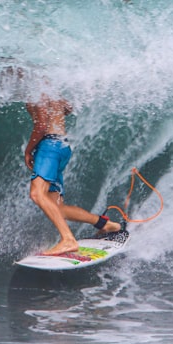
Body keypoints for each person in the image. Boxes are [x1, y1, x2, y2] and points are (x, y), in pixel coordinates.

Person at [25, 96, 121, 255]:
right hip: (62, 145)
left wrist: (28, 150)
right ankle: (105, 225)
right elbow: (68, 108)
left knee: (37, 194)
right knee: (58, 208)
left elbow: (41, 125)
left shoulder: (36, 85)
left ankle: (68, 239)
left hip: (49, 147)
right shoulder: (51, 86)